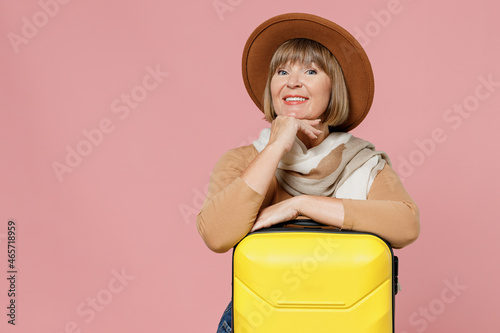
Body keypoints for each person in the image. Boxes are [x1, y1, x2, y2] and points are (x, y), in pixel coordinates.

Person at [196, 13, 420, 333]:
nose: (292, 82)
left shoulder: (364, 162)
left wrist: (298, 206)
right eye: (282, 71)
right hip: (261, 319)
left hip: (348, 316)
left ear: (334, 88)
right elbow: (217, 235)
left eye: (311, 71)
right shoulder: (242, 160)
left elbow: (406, 224)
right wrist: (275, 147)